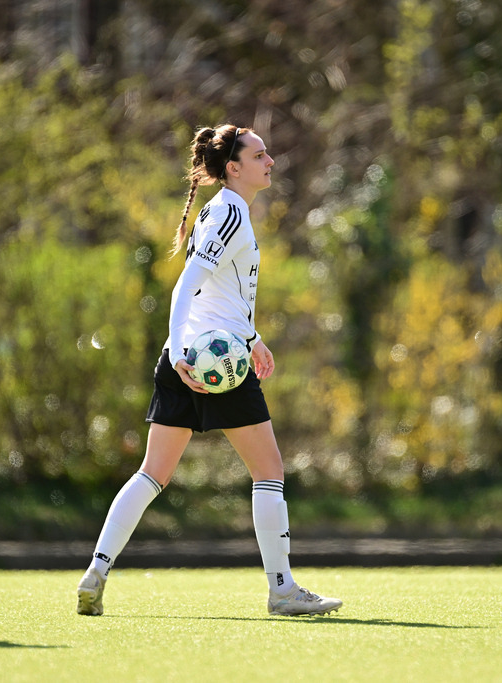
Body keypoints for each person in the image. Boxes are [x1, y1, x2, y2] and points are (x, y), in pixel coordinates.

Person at [75, 124, 342, 617]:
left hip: (195, 353)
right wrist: (182, 349)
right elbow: (185, 286)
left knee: (152, 474)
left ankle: (97, 570)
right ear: (234, 168)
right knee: (269, 471)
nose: (271, 161)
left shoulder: (221, 210)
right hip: (211, 362)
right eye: (261, 155)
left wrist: (251, 336)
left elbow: (217, 294)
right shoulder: (231, 212)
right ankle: (282, 589)